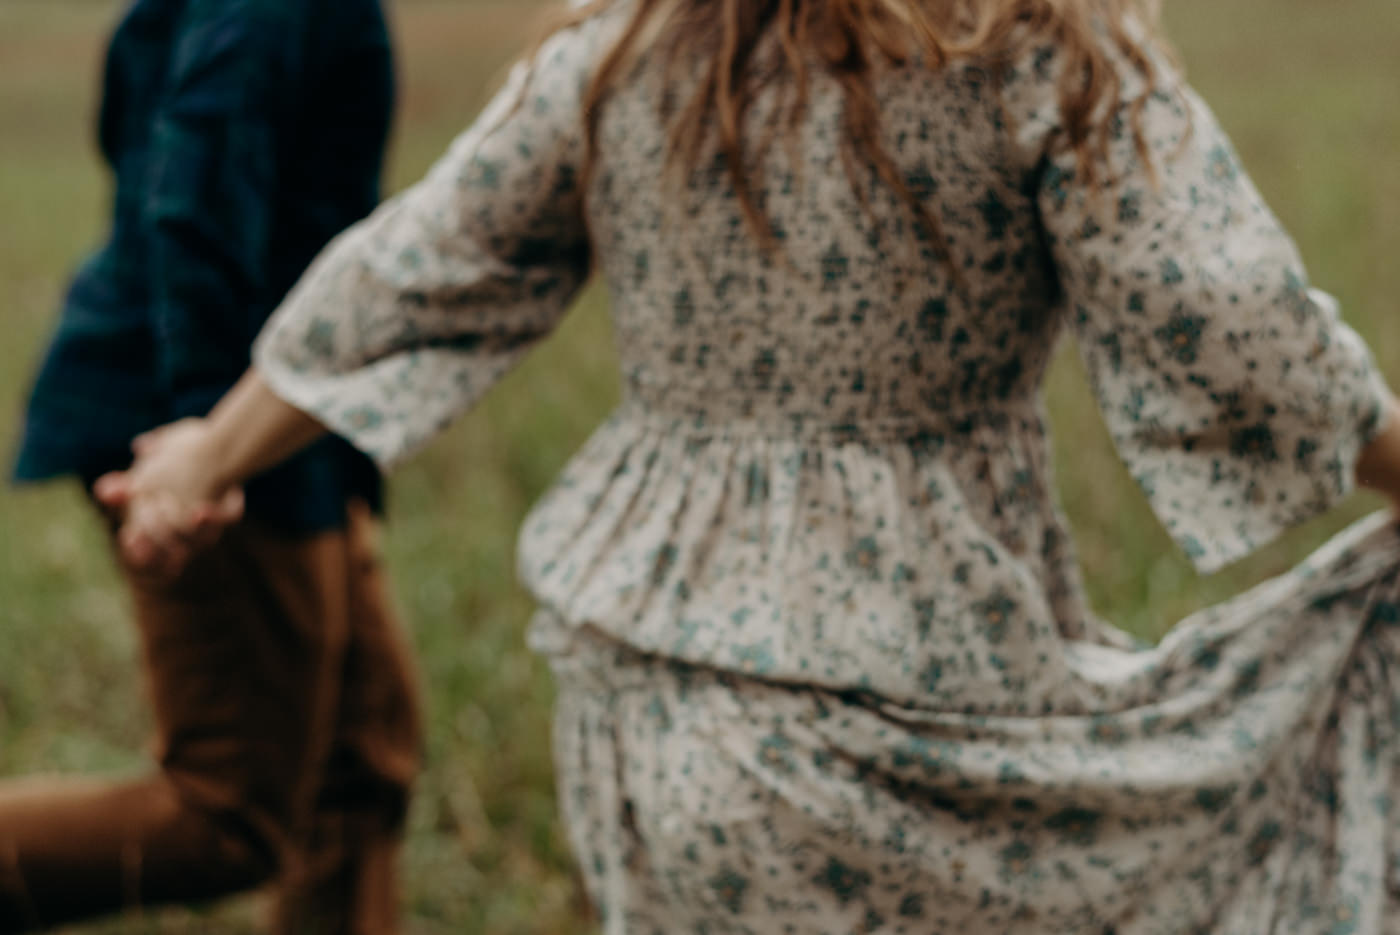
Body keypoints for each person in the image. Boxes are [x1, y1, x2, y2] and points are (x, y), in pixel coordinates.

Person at [98, 0, 1400, 930]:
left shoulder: (626, 42)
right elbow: (1231, 327)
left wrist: (205, 454)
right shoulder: (1041, 43)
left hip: (647, 717)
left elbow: (414, 269)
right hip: (919, 701)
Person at [1, 0, 421, 932]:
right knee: (227, 810)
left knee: (362, 766)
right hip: (212, 418)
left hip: (281, 420)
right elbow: (189, 190)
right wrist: (209, 440)